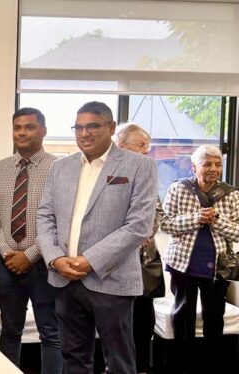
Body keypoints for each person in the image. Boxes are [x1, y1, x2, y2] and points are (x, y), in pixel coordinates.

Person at [36, 101, 158, 374]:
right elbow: (44, 217)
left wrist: (89, 260)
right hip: (65, 279)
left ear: (111, 128)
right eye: (78, 127)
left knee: (119, 361)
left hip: (111, 280)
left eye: (92, 126)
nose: (84, 133)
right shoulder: (61, 167)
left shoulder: (139, 166)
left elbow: (139, 225)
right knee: (74, 358)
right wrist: (55, 258)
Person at [0, 108, 62, 373]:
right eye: (17, 127)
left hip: (45, 264)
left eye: (29, 127)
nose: (22, 132)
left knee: (51, 332)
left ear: (43, 130)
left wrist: (29, 255)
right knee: (9, 331)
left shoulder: (60, 168)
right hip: (7, 264)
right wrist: (8, 252)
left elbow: (60, 221)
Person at [160, 145, 239, 374]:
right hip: (182, 264)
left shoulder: (232, 194)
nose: (213, 169)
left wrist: (217, 220)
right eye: (207, 164)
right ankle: (181, 365)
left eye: (218, 164)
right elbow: (165, 224)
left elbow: (237, 231)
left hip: (218, 267)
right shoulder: (178, 189)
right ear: (194, 167)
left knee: (215, 318)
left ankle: (211, 366)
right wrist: (196, 218)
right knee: (182, 314)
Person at [115, 123, 165, 374]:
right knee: (117, 324)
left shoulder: (148, 173)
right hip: (116, 263)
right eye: (141, 144)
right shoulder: (108, 175)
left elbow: (157, 211)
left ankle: (142, 368)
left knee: (145, 322)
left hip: (144, 263)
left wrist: (146, 231)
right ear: (121, 146)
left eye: (148, 145)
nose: (147, 150)